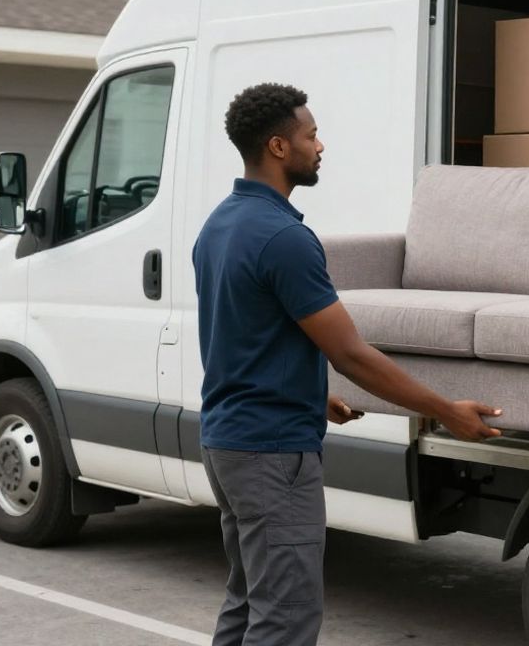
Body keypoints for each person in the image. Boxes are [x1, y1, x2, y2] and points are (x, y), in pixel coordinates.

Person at [192, 82, 502, 646]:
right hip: (272, 454)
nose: (320, 145)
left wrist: (311, 395)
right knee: (285, 617)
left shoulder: (219, 224)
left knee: (247, 605)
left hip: (228, 444)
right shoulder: (286, 238)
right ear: (279, 147)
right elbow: (351, 353)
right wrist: (445, 410)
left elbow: (241, 337)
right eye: (310, 135)